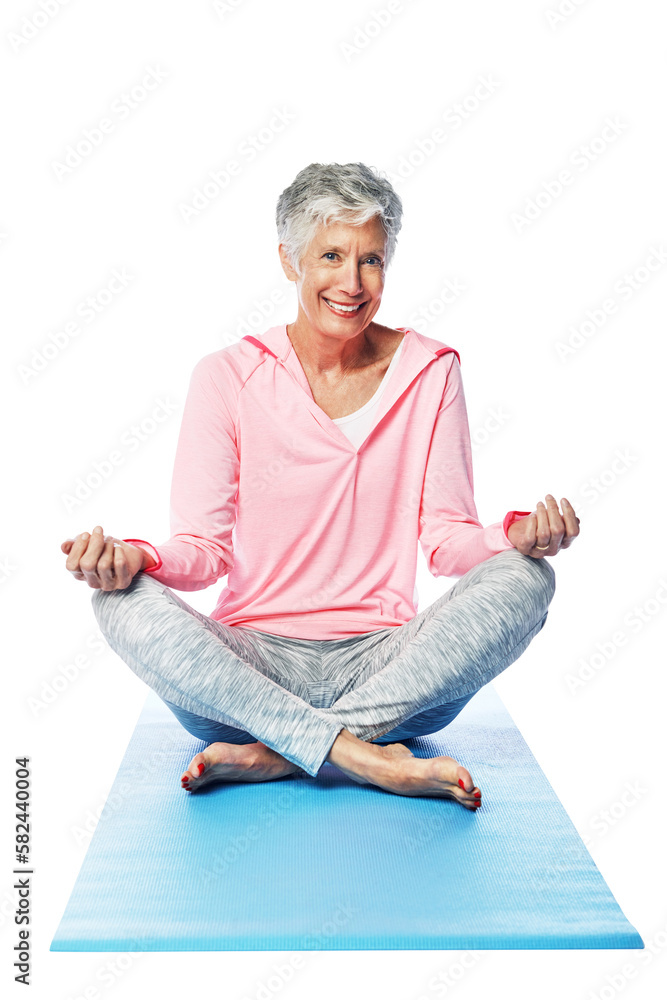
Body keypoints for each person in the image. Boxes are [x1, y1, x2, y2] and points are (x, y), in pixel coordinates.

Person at [61, 162, 579, 811]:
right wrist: (137, 559)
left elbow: (446, 542)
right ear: (290, 261)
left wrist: (515, 538)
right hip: (248, 674)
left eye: (371, 260)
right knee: (118, 602)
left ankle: (280, 753)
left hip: (388, 668)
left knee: (529, 579)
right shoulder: (226, 376)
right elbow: (202, 550)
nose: (351, 282)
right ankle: (361, 757)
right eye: (331, 255)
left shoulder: (430, 370)